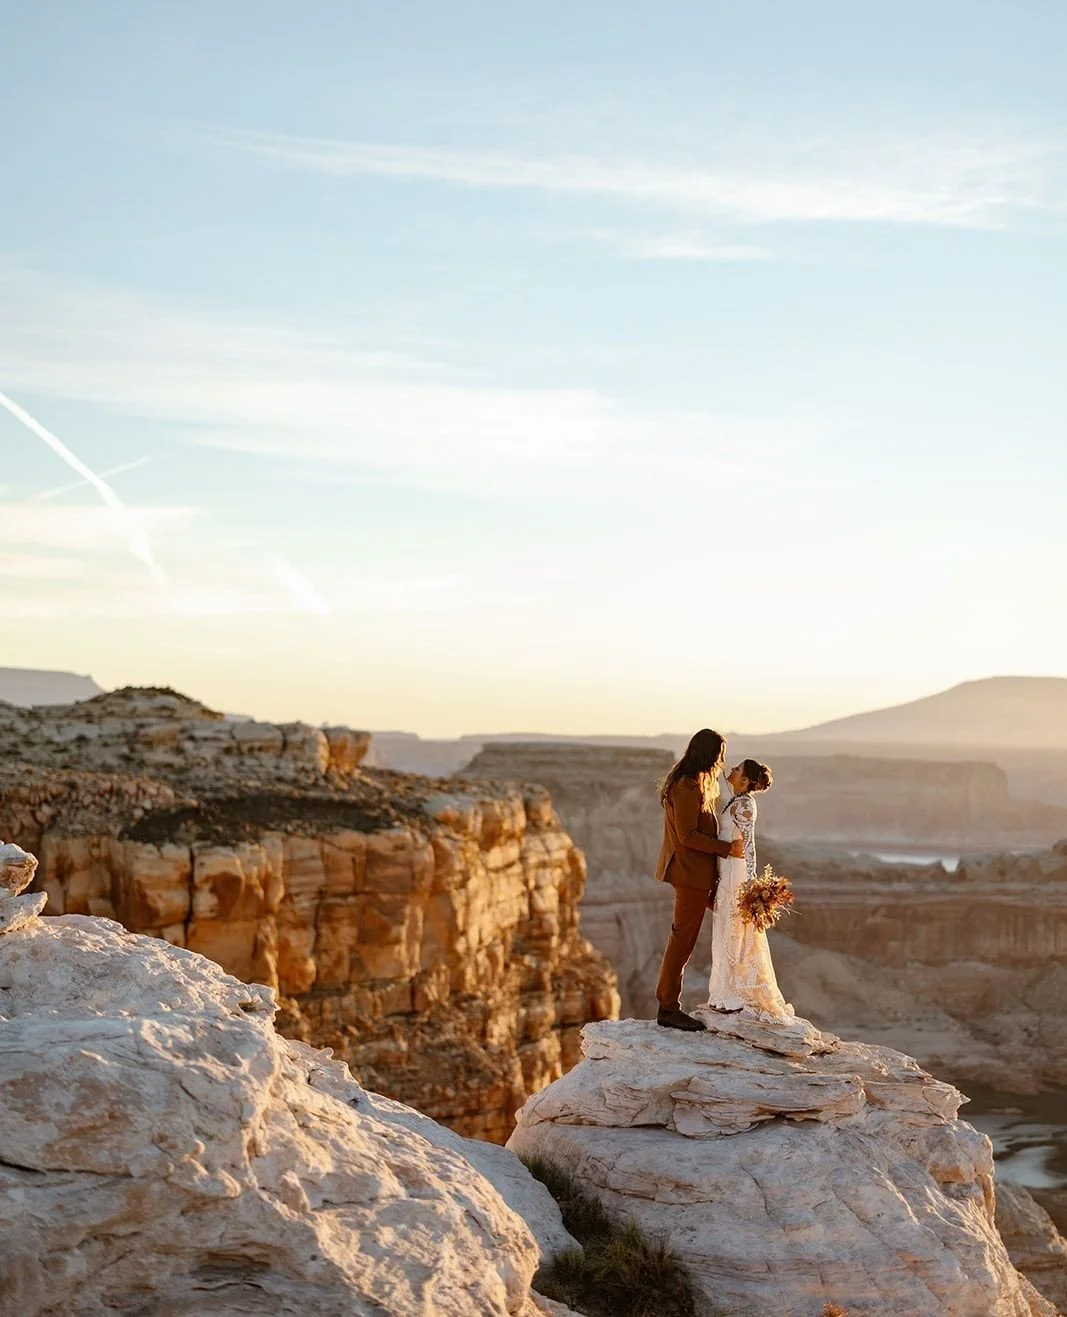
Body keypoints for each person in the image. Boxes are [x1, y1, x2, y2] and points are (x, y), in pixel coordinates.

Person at [653, 729, 746, 1031]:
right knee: (682, 941)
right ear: (708, 754)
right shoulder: (686, 786)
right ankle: (668, 1009)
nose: (722, 760)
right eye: (720, 753)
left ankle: (670, 1006)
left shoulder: (698, 784)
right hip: (689, 875)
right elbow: (687, 836)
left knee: (685, 939)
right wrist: (726, 849)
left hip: (698, 875)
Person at [706, 758, 794, 1021]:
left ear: (745, 780)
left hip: (736, 875)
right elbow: (722, 774)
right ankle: (723, 994)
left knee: (735, 932)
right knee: (724, 929)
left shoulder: (744, 804)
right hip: (727, 873)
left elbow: (748, 846)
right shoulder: (736, 799)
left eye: (738, 769)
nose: (732, 769)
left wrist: (752, 885)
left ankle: (735, 995)